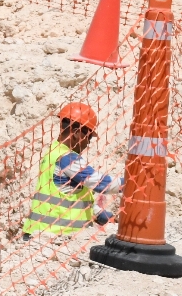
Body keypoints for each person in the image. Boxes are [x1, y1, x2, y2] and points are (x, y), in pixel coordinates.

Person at [23, 102, 122, 238]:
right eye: (88, 137)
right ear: (76, 133)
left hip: (39, 233)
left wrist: (100, 214)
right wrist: (133, 181)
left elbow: (70, 195)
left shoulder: (54, 151)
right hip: (52, 238)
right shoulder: (68, 159)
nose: (87, 143)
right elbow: (101, 184)